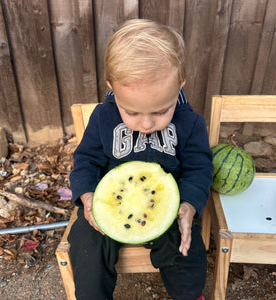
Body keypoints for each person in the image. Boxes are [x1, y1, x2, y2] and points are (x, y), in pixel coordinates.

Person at [68, 19, 213, 300]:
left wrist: (188, 206)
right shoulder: (102, 118)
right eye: (132, 112)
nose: (146, 124)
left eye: (161, 111)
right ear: (112, 87)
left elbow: (199, 168)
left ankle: (190, 295)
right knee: (85, 245)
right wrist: (86, 196)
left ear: (180, 84)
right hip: (111, 209)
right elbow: (85, 161)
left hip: (166, 210)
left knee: (186, 246)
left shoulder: (191, 123)